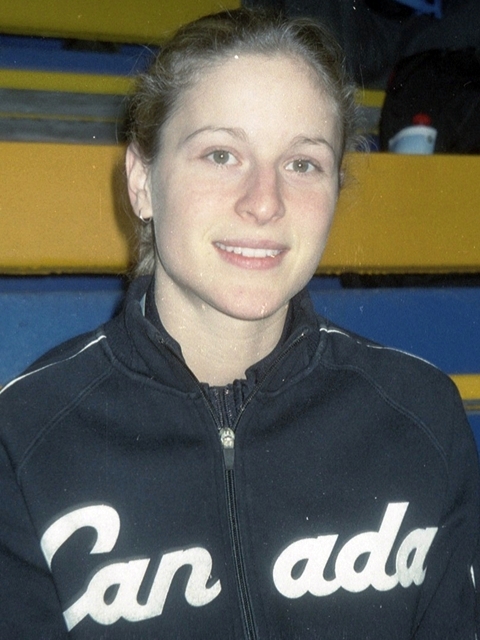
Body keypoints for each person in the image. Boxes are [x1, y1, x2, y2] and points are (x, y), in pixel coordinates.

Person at [0, 8, 478, 639]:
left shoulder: (421, 418)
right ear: (141, 180)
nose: (264, 202)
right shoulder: (23, 440)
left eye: (302, 163)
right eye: (221, 154)